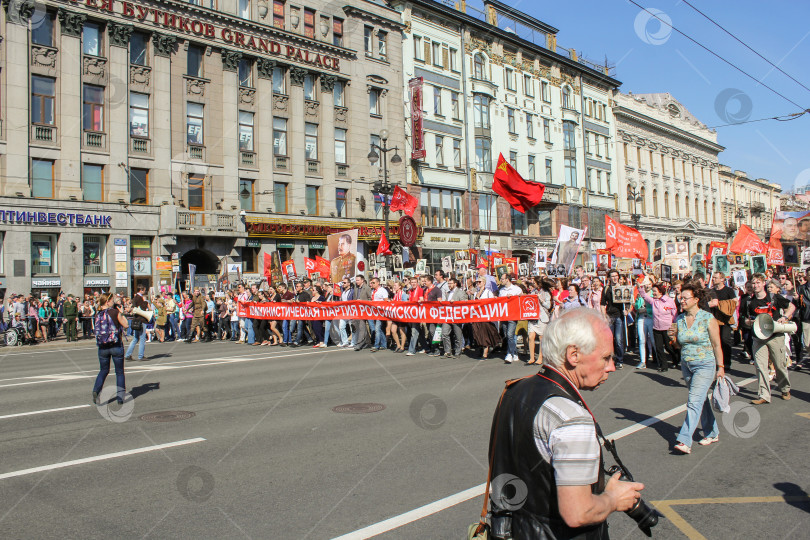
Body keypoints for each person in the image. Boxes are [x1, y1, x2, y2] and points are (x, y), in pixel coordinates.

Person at [486, 308, 644, 539]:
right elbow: (578, 513)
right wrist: (612, 499)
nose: (611, 366)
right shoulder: (571, 417)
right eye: (606, 357)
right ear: (573, 355)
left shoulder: (513, 389)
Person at [669, 283, 724, 454]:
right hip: (687, 365)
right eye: (680, 297)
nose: (681, 300)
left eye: (685, 298)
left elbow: (716, 345)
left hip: (705, 364)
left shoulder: (708, 318)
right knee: (701, 400)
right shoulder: (679, 319)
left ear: (696, 300)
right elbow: (679, 346)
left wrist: (720, 367)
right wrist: (672, 338)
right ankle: (712, 432)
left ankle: (685, 440)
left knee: (693, 401)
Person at [742, 275, 793, 404]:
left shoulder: (773, 297)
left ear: (764, 283)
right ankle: (764, 395)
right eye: (753, 283)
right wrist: (748, 322)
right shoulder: (749, 301)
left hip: (775, 336)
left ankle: (785, 388)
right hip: (758, 338)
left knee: (779, 365)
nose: (755, 286)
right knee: (760, 366)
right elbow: (745, 318)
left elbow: (791, 307)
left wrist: (785, 317)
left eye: (758, 283)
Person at [92, 292, 130, 405]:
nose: (113, 302)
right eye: (112, 300)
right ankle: (120, 397)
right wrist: (122, 313)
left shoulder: (97, 314)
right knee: (119, 372)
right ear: (107, 301)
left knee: (103, 370)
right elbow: (126, 325)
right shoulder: (115, 312)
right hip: (116, 345)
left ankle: (96, 390)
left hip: (102, 346)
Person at [638, 283, 677, 372]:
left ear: (660, 291)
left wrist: (674, 324)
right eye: (653, 291)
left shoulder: (669, 300)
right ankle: (663, 366)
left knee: (668, 347)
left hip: (667, 327)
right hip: (657, 328)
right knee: (659, 348)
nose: (653, 293)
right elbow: (644, 295)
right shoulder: (653, 301)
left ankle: (676, 359)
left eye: (655, 291)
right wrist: (640, 287)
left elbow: (674, 312)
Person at [601, 270, 626, 369]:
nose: (614, 278)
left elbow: (629, 302)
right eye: (612, 276)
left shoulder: (623, 288)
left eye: (616, 276)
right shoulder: (606, 288)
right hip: (609, 316)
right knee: (609, 339)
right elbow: (603, 303)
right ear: (609, 278)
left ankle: (620, 359)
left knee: (618, 339)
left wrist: (627, 310)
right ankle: (610, 359)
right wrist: (604, 316)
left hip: (619, 315)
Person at [441, 277, 468, 358]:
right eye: (448, 283)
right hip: (448, 316)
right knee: (444, 333)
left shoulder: (460, 292)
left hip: (456, 316)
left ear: (455, 284)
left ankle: (457, 351)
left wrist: (456, 303)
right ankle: (448, 351)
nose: (449, 285)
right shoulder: (448, 293)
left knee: (457, 335)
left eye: (450, 283)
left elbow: (464, 303)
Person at [498, 274, 522, 363]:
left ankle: (509, 353)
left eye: (502, 279)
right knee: (506, 335)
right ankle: (514, 352)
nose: (501, 280)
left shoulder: (516, 289)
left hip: (513, 315)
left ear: (507, 279)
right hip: (504, 315)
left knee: (510, 335)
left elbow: (521, 298)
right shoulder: (502, 290)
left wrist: (513, 298)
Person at [125, 285, 150, 361]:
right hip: (141, 320)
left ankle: (128, 354)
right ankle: (140, 355)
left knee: (135, 338)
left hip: (136, 319)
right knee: (142, 338)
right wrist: (145, 302)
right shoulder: (140, 298)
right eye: (144, 290)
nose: (145, 291)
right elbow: (142, 308)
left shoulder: (135, 298)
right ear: (141, 290)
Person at [352, 275, 372, 351]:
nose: (356, 282)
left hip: (364, 310)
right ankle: (368, 342)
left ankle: (359, 344)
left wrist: (363, 302)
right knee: (359, 326)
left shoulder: (367, 288)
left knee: (361, 326)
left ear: (362, 280)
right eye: (356, 280)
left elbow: (370, 299)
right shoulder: (356, 288)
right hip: (357, 310)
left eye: (358, 280)